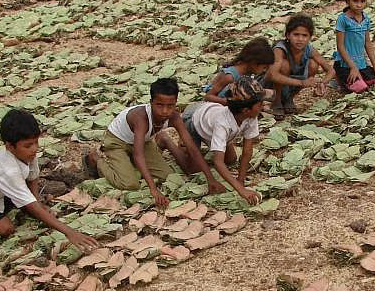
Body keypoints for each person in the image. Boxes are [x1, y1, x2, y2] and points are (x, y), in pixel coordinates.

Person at [0, 109, 98, 250]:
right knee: (7, 229)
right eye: (28, 145)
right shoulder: (8, 171)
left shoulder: (27, 155)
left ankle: (14, 202)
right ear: (10, 146)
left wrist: (36, 200)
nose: (34, 149)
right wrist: (70, 232)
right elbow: (30, 204)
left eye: (36, 142)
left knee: (33, 208)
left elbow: (33, 176)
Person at [86, 78, 225, 209]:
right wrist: (154, 190)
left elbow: (192, 148)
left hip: (144, 142)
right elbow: (138, 154)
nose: (165, 111)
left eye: (170, 106)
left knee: (167, 176)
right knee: (130, 184)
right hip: (117, 141)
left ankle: (135, 160)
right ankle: (96, 160)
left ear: (176, 102)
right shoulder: (141, 118)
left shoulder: (175, 117)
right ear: (151, 102)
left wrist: (210, 179)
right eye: (159, 105)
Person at [162, 77, 265, 205]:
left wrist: (241, 180)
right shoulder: (223, 123)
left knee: (231, 159)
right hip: (194, 121)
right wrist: (241, 191)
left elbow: (247, 151)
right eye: (260, 104)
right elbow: (217, 163)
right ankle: (166, 140)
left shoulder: (251, 116)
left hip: (210, 120)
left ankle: (210, 146)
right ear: (245, 110)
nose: (263, 106)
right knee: (193, 169)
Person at [265, 14, 334, 118]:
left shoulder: (309, 50)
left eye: (304, 36)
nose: (300, 39)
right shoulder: (280, 49)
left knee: (313, 65)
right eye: (296, 34)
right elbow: (272, 75)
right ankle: (277, 102)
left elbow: (331, 71)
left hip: (290, 85)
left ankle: (289, 99)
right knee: (284, 65)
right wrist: (301, 82)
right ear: (288, 35)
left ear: (310, 37)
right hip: (270, 87)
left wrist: (322, 83)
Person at [334, 0, 375, 93]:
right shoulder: (342, 19)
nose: (359, 5)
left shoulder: (366, 19)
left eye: (362, 1)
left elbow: (367, 43)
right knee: (358, 87)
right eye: (355, 1)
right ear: (347, 0)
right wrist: (353, 67)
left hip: (361, 63)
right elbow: (340, 46)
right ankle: (337, 78)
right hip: (345, 64)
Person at [203, 38, 275, 105]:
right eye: (264, 67)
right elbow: (208, 97)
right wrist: (230, 103)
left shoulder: (248, 75)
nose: (265, 70)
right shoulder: (230, 77)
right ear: (254, 63)